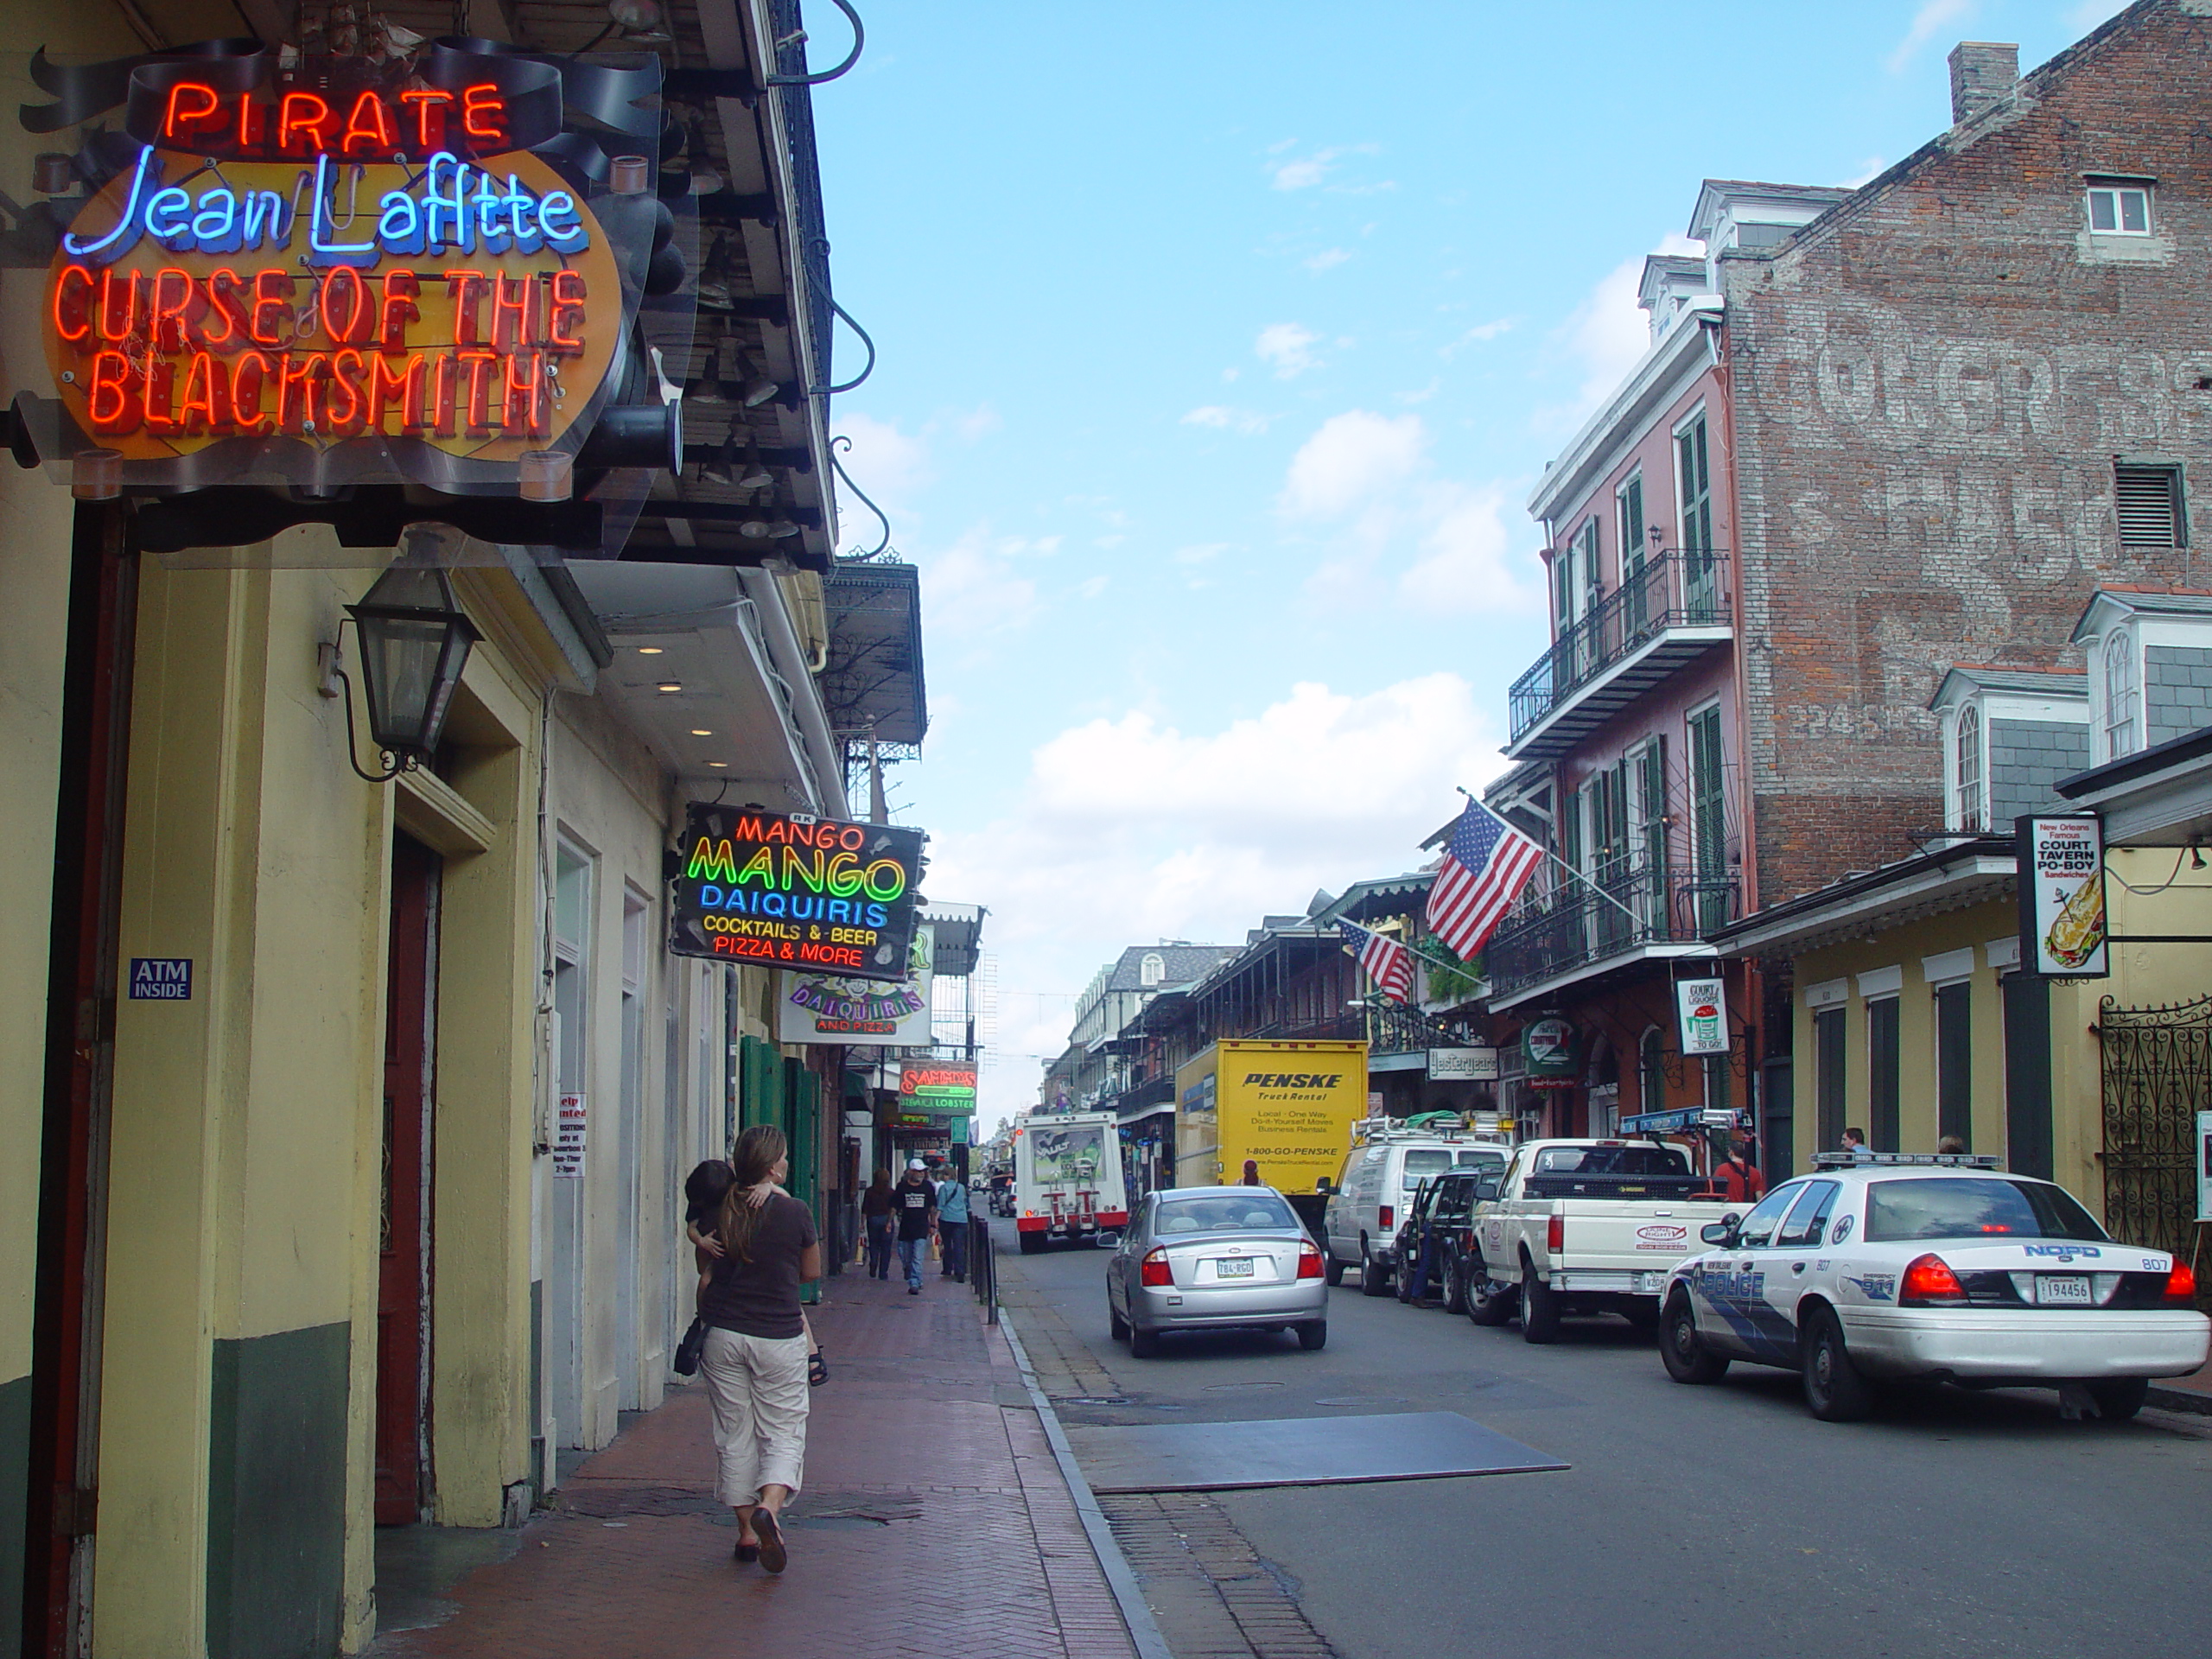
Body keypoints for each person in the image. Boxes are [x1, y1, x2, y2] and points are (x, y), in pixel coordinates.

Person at [697, 1124, 818, 1575]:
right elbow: (810, 1272)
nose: (787, 1162)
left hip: (724, 1335)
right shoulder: (794, 1212)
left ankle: (748, 1532)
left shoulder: (718, 1208)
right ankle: (771, 1504)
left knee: (734, 1434)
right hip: (778, 1336)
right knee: (783, 1428)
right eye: (783, 1156)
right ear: (772, 1166)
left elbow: (704, 1268)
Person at [892, 1159, 938, 1294]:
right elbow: (895, 1205)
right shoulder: (902, 1187)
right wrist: (889, 1221)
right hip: (906, 1227)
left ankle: (914, 1282)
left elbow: (932, 1207)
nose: (921, 1174)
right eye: (918, 1171)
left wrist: (933, 1223)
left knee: (917, 1257)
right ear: (911, 1172)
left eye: (922, 1171)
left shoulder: (928, 1187)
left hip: (921, 1227)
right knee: (905, 1255)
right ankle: (910, 1271)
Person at [937, 1167, 971, 1281]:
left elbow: (940, 1205)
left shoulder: (944, 1188)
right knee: (959, 1246)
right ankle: (960, 1271)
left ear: (946, 1176)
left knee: (947, 1245)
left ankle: (947, 1268)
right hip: (961, 1219)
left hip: (946, 1219)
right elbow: (966, 1203)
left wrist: (935, 1220)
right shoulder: (961, 1187)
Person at [860, 1169, 895, 1279]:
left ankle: (873, 1262)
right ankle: (883, 1272)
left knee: (874, 1244)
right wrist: (889, 1221)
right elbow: (893, 1209)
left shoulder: (869, 1191)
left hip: (873, 1220)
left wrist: (862, 1223)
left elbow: (865, 1209)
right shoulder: (891, 1192)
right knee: (886, 1247)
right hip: (886, 1219)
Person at [1716, 1138, 1766, 1204]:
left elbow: (1715, 1192)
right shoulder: (1755, 1172)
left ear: (1731, 1152)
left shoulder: (1721, 1169)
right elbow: (1760, 1198)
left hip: (1727, 1208)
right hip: (1747, 1209)